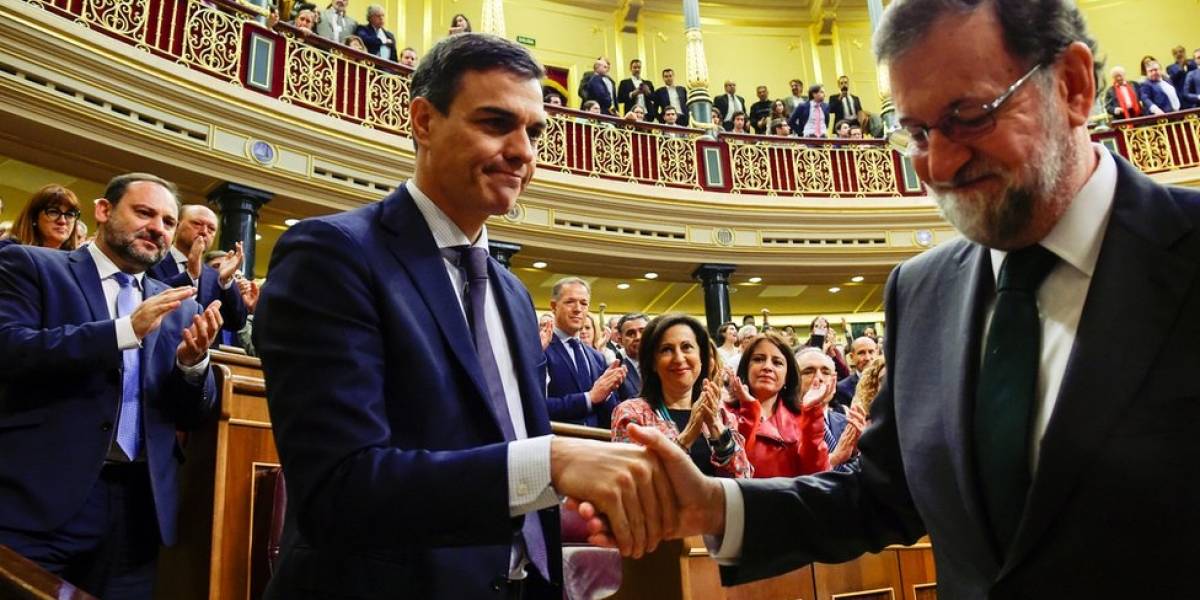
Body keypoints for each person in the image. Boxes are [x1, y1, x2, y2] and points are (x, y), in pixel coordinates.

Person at [573, 0, 1200, 596]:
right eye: (917, 133)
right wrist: (716, 505)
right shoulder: (923, 289)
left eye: (969, 116)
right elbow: (882, 494)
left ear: (1071, 84)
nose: (938, 164)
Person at [255, 33, 675, 599]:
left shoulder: (512, 294)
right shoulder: (332, 255)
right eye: (497, 123)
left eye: (534, 131)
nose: (524, 151)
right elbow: (340, 487)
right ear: (424, 121)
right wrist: (549, 463)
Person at [0, 172, 220, 598]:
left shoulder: (177, 304)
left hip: (139, 509)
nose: (158, 227)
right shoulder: (32, 265)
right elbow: (10, 350)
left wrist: (193, 368)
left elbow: (190, 413)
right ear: (103, 211)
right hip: (39, 499)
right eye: (144, 213)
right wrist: (123, 331)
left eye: (169, 221)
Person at [611, 314, 751, 479]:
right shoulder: (631, 414)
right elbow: (636, 482)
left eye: (686, 347)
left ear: (701, 358)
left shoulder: (720, 412)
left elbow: (744, 478)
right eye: (667, 350)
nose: (678, 358)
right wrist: (687, 437)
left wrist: (716, 428)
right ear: (653, 363)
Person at [723, 334, 829, 478]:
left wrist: (812, 414)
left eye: (777, 362)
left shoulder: (803, 417)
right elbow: (732, 470)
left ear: (787, 376)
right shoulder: (725, 413)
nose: (767, 367)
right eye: (758, 359)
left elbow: (817, 475)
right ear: (746, 369)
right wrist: (750, 409)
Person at [147, 205, 248, 348]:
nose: (204, 232)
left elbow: (237, 322)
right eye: (197, 224)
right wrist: (189, 276)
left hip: (200, 362)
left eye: (211, 229)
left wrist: (226, 282)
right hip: (157, 352)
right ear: (177, 225)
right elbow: (150, 299)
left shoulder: (214, 276)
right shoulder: (151, 260)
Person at [544, 277, 624, 428]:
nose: (578, 309)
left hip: (595, 443)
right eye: (570, 302)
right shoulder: (540, 349)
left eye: (583, 303)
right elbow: (536, 406)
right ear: (553, 306)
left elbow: (606, 412)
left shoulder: (596, 357)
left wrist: (608, 393)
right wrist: (589, 398)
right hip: (557, 444)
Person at [0, 184, 82, 251]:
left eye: (70, 214)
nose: (62, 221)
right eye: (53, 212)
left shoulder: (76, 262)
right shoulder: (7, 250)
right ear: (34, 217)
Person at [614, 312, 648, 401]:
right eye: (631, 333)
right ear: (620, 340)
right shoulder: (616, 374)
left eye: (643, 332)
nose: (638, 337)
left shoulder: (665, 367)